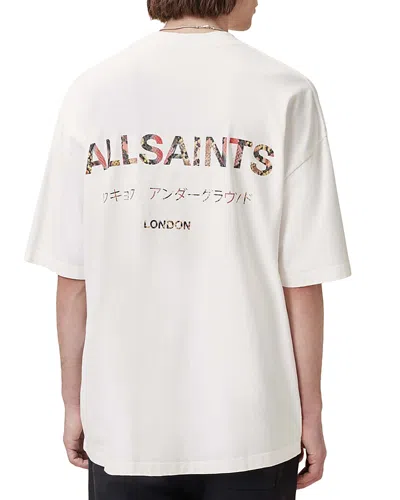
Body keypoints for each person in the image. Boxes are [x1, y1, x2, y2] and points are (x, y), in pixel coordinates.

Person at [24, 0, 351, 498]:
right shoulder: (285, 92)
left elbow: (74, 279)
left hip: (125, 421)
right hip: (252, 424)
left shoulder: (91, 91)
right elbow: (301, 281)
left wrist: (74, 403)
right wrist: (312, 413)